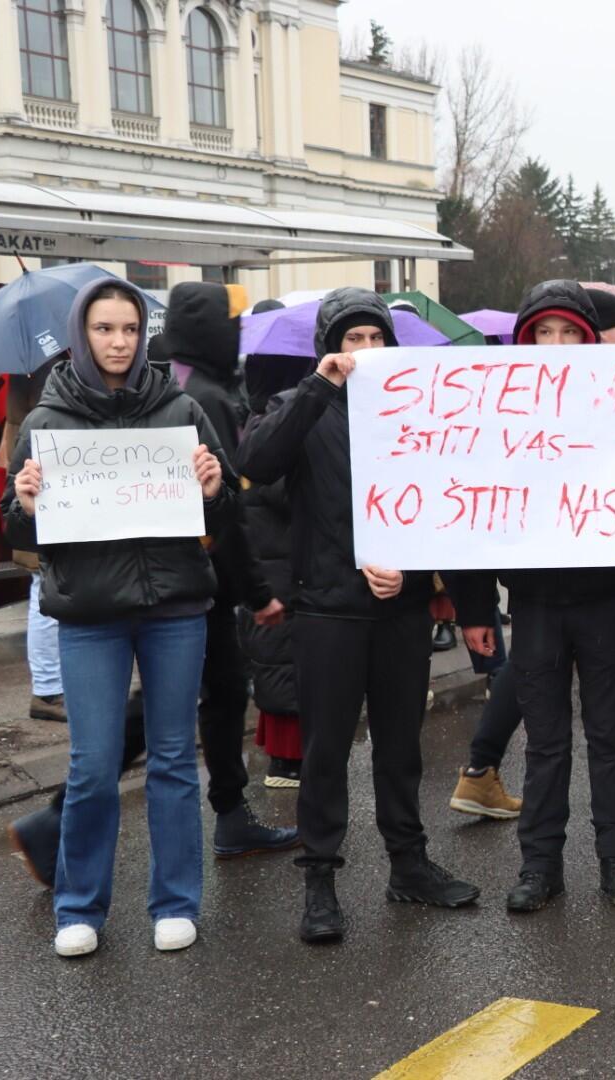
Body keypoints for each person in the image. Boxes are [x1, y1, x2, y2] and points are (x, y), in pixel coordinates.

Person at [1, 277, 235, 958]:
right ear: (82, 334)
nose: (118, 342)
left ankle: (175, 902)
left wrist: (213, 490)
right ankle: (79, 907)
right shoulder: (46, 422)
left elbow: (223, 515)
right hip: (89, 615)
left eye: (129, 329)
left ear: (143, 334)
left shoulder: (182, 410)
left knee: (173, 760)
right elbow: (22, 531)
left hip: (175, 609)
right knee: (93, 766)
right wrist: (25, 505)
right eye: (104, 329)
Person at [238, 288, 480, 945]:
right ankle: (319, 879)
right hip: (328, 609)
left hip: (400, 609)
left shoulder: (418, 410)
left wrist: (414, 571)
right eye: (353, 339)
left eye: (377, 338)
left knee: (401, 747)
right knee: (324, 751)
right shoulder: (299, 404)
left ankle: (409, 864)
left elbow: (443, 502)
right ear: (331, 347)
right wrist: (319, 386)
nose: (366, 350)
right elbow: (256, 463)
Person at [451, 281, 615, 915]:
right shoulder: (499, 404)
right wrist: (474, 608)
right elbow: (468, 503)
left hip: (607, 597)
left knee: (610, 736)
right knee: (546, 741)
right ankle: (540, 865)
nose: (556, 343)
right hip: (535, 602)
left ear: (588, 340)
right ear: (526, 339)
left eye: (568, 333)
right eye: (543, 332)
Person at [159, 282, 299, 859]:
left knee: (198, 694)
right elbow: (228, 505)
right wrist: (257, 591)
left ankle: (232, 813)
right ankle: (230, 814)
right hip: (203, 575)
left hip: (181, 570)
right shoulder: (208, 396)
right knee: (215, 694)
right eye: (230, 324)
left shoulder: (176, 379)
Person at [236, 323, 312, 789]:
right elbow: (287, 492)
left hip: (268, 559)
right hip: (283, 560)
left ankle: (284, 757)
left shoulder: (253, 418)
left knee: (277, 657)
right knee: (287, 658)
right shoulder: (277, 425)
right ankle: (287, 762)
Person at [0, 356, 68, 722]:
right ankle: (47, 690)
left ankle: (50, 686)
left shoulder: (26, 364)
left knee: (43, 591)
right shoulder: (45, 369)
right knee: (43, 593)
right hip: (41, 496)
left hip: (39, 492)